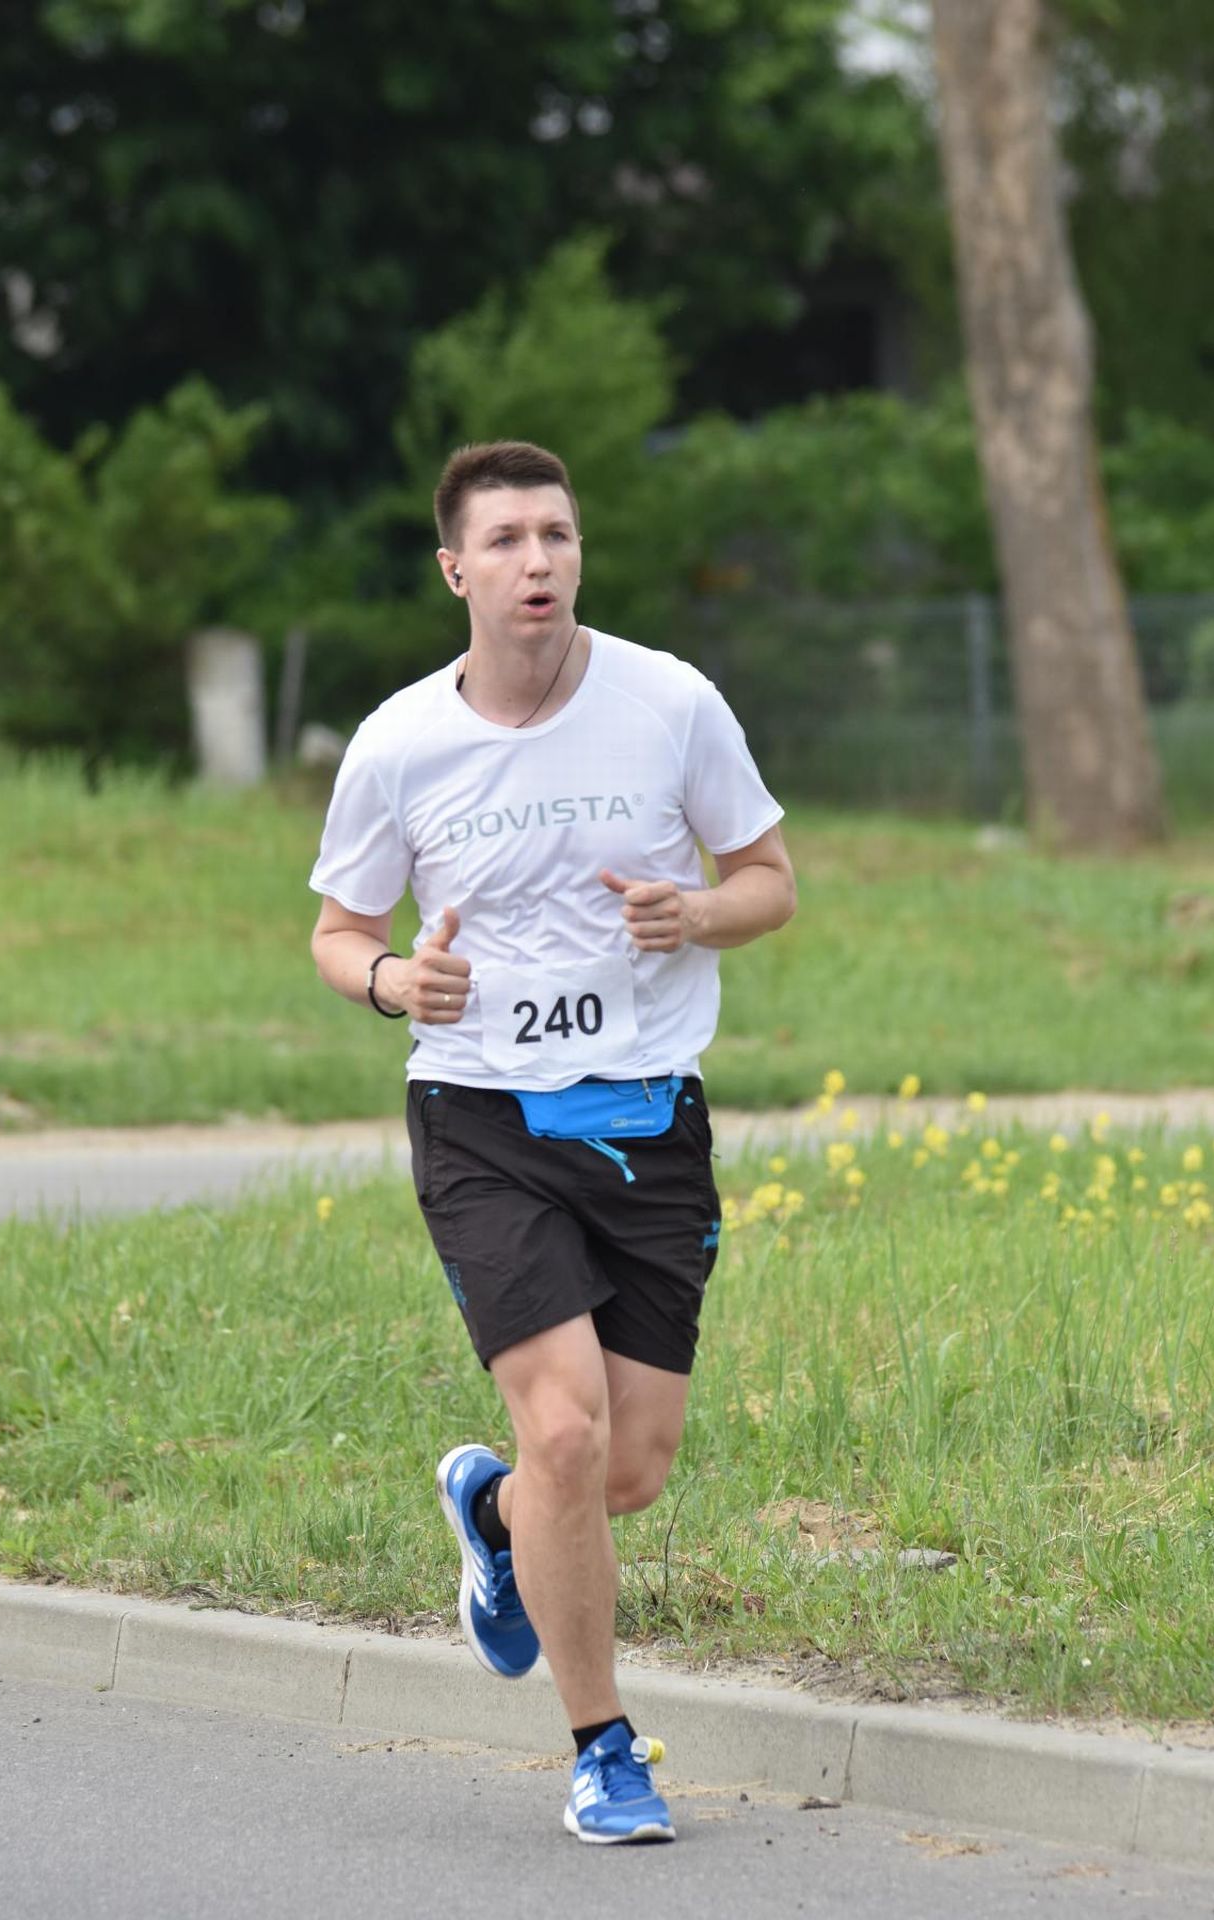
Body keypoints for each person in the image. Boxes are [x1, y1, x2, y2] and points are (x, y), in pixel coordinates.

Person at [309, 440, 795, 1844]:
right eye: (508, 540)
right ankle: (604, 1751)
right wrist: (396, 981)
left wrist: (696, 914)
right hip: (481, 1121)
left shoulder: (671, 703)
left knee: (626, 1470)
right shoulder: (400, 742)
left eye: (558, 535)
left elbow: (769, 880)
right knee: (569, 1433)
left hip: (647, 1122)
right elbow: (340, 933)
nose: (539, 561)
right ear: (455, 570)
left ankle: (493, 1513)